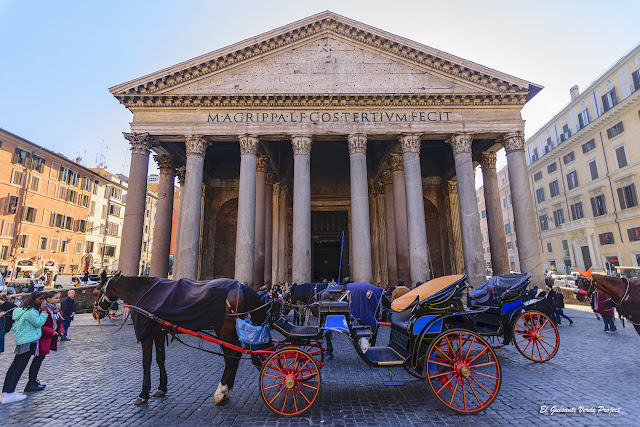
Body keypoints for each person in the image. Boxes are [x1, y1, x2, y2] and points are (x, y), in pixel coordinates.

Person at [1, 291, 48, 404]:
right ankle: (10, 393)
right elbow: (38, 323)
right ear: (34, 299)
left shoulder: (22, 309)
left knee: (15, 366)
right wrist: (44, 312)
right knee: (19, 367)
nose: (42, 301)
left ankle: (5, 392)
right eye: (41, 299)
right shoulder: (31, 311)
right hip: (29, 340)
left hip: (22, 339)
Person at [25, 291, 64, 392]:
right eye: (56, 298)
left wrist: (60, 331)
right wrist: (52, 332)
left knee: (39, 361)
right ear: (49, 299)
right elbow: (40, 325)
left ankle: (33, 381)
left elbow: (59, 323)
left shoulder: (57, 310)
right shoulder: (43, 310)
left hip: (49, 338)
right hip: (42, 339)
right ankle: (31, 382)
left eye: (58, 298)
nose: (58, 300)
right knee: (36, 361)